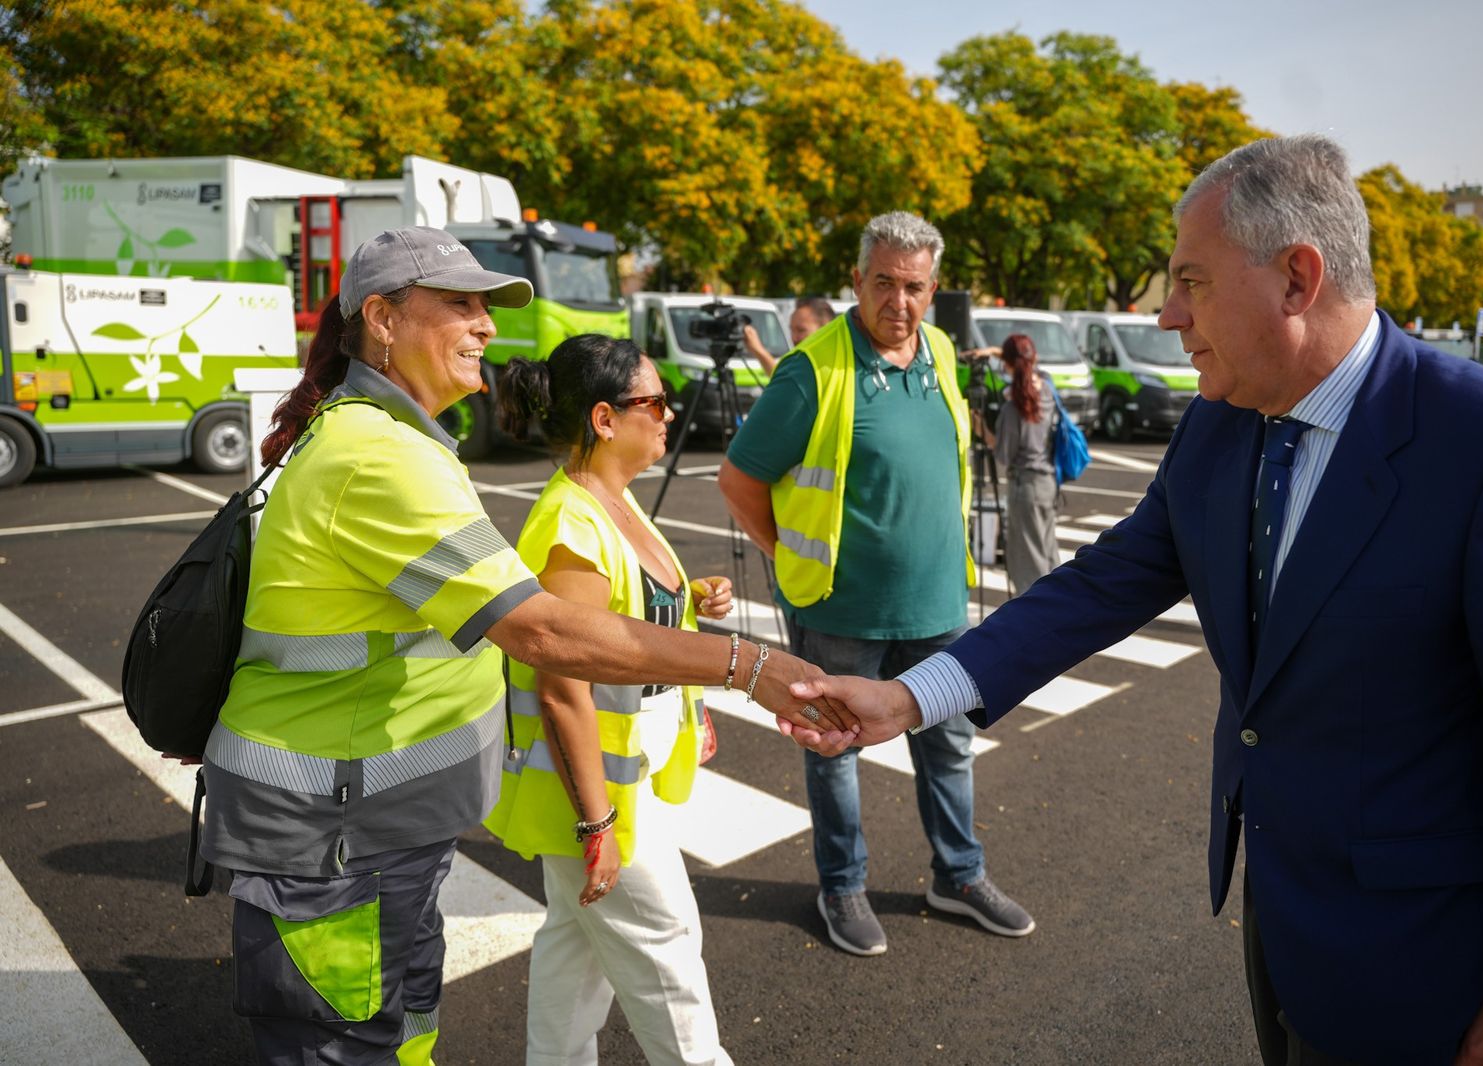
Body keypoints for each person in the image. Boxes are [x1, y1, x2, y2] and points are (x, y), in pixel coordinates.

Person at [791, 135, 1483, 1065]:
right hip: (1284, 926)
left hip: (1441, 976)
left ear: (1297, 280)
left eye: (1191, 282)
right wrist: (910, 696)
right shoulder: (1222, 420)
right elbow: (1102, 584)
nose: (1168, 314)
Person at [202, 227, 852, 1065]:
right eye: (459, 305)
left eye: (487, 307)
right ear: (383, 320)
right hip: (334, 834)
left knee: (401, 1034)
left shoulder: (391, 441)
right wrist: (746, 664)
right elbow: (542, 631)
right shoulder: (380, 455)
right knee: (350, 1046)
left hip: (367, 827)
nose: (485, 325)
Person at [718, 212, 1034, 957]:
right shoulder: (812, 370)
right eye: (884, 283)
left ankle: (959, 876)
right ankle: (842, 886)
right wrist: (786, 556)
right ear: (856, 281)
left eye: (914, 287)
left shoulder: (942, 351)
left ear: (934, 288)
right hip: (840, 611)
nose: (899, 301)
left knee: (950, 749)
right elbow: (738, 479)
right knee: (834, 753)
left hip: (937, 605)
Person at [484, 335, 736, 1066]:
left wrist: (688, 598)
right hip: (601, 798)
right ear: (604, 418)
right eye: (654, 401)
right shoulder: (572, 525)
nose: (669, 414)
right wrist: (598, 825)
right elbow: (562, 686)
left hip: (621, 785)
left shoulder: (611, 501)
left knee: (576, 953)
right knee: (668, 953)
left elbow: (622, 620)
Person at [989, 332, 1060, 593]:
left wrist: (980, 427)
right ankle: (1057, 608)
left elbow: (1003, 455)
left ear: (1007, 364)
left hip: (1025, 489)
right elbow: (1027, 367)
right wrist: (1002, 354)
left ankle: (1038, 612)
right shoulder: (1048, 391)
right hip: (1048, 482)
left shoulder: (1013, 408)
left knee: (1028, 564)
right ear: (1035, 357)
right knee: (1047, 554)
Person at [740, 296, 837, 374]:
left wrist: (758, 349)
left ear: (825, 330)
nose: (794, 338)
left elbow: (783, 378)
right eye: (792, 330)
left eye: (801, 330)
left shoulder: (825, 367)